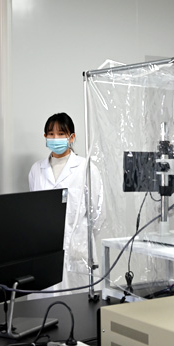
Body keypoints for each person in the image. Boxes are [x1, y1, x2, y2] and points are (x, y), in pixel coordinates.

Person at [28, 113, 104, 297]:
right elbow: (34, 210)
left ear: (71, 137)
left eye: (61, 134)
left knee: (78, 305)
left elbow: (98, 214)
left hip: (77, 252)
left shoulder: (86, 168)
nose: (55, 138)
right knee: (43, 306)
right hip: (44, 249)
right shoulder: (36, 170)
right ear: (45, 136)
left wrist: (78, 239)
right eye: (51, 134)